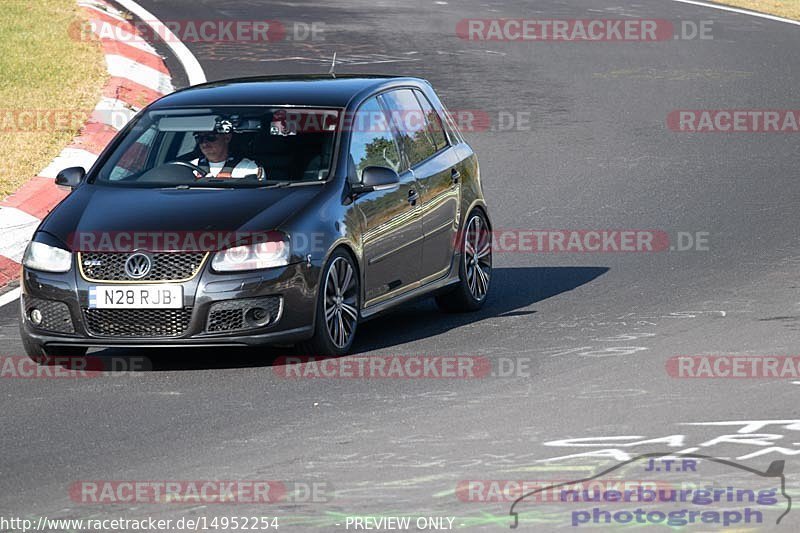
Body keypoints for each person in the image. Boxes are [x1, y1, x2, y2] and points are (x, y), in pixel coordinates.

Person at [190, 131, 263, 179]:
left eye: (210, 137)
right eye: (199, 139)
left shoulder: (248, 168)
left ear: (227, 138)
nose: (204, 144)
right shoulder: (189, 167)